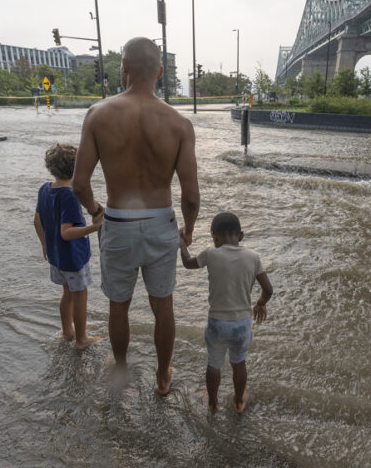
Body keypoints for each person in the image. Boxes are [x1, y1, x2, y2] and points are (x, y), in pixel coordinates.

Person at [72, 37, 200, 395]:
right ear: (160, 72)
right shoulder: (178, 124)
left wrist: (98, 213)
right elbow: (191, 195)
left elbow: (79, 185)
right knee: (163, 307)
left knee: (119, 305)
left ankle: (122, 369)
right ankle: (162, 377)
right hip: (161, 224)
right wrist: (187, 231)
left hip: (118, 222)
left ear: (123, 68)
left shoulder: (98, 115)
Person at [179, 212, 273, 413]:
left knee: (214, 364)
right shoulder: (253, 257)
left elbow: (188, 263)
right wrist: (260, 304)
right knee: (239, 363)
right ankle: (239, 401)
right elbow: (268, 289)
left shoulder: (211, 254)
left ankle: (213, 403)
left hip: (217, 323)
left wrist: (181, 243)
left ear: (214, 237)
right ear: (241, 236)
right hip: (242, 323)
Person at [33, 143, 103, 349]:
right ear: (78, 167)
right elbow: (67, 232)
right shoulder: (71, 195)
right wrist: (95, 227)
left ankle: (67, 332)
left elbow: (37, 220)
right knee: (80, 294)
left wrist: (45, 245)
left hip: (56, 256)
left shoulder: (45, 189)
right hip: (73, 257)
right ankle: (82, 339)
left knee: (67, 293)